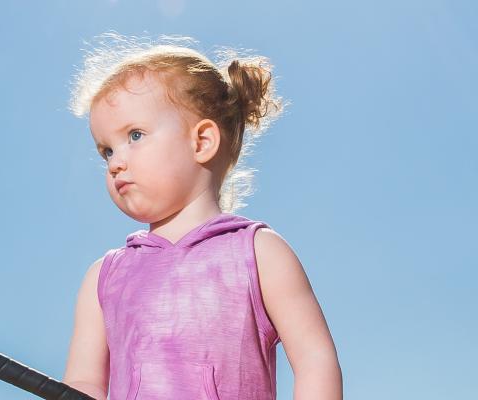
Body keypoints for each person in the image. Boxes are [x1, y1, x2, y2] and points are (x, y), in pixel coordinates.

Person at [62, 33, 342, 400]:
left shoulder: (259, 253)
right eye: (105, 150)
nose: (115, 162)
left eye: (135, 135)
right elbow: (83, 383)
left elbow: (315, 362)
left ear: (202, 141)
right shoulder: (104, 277)